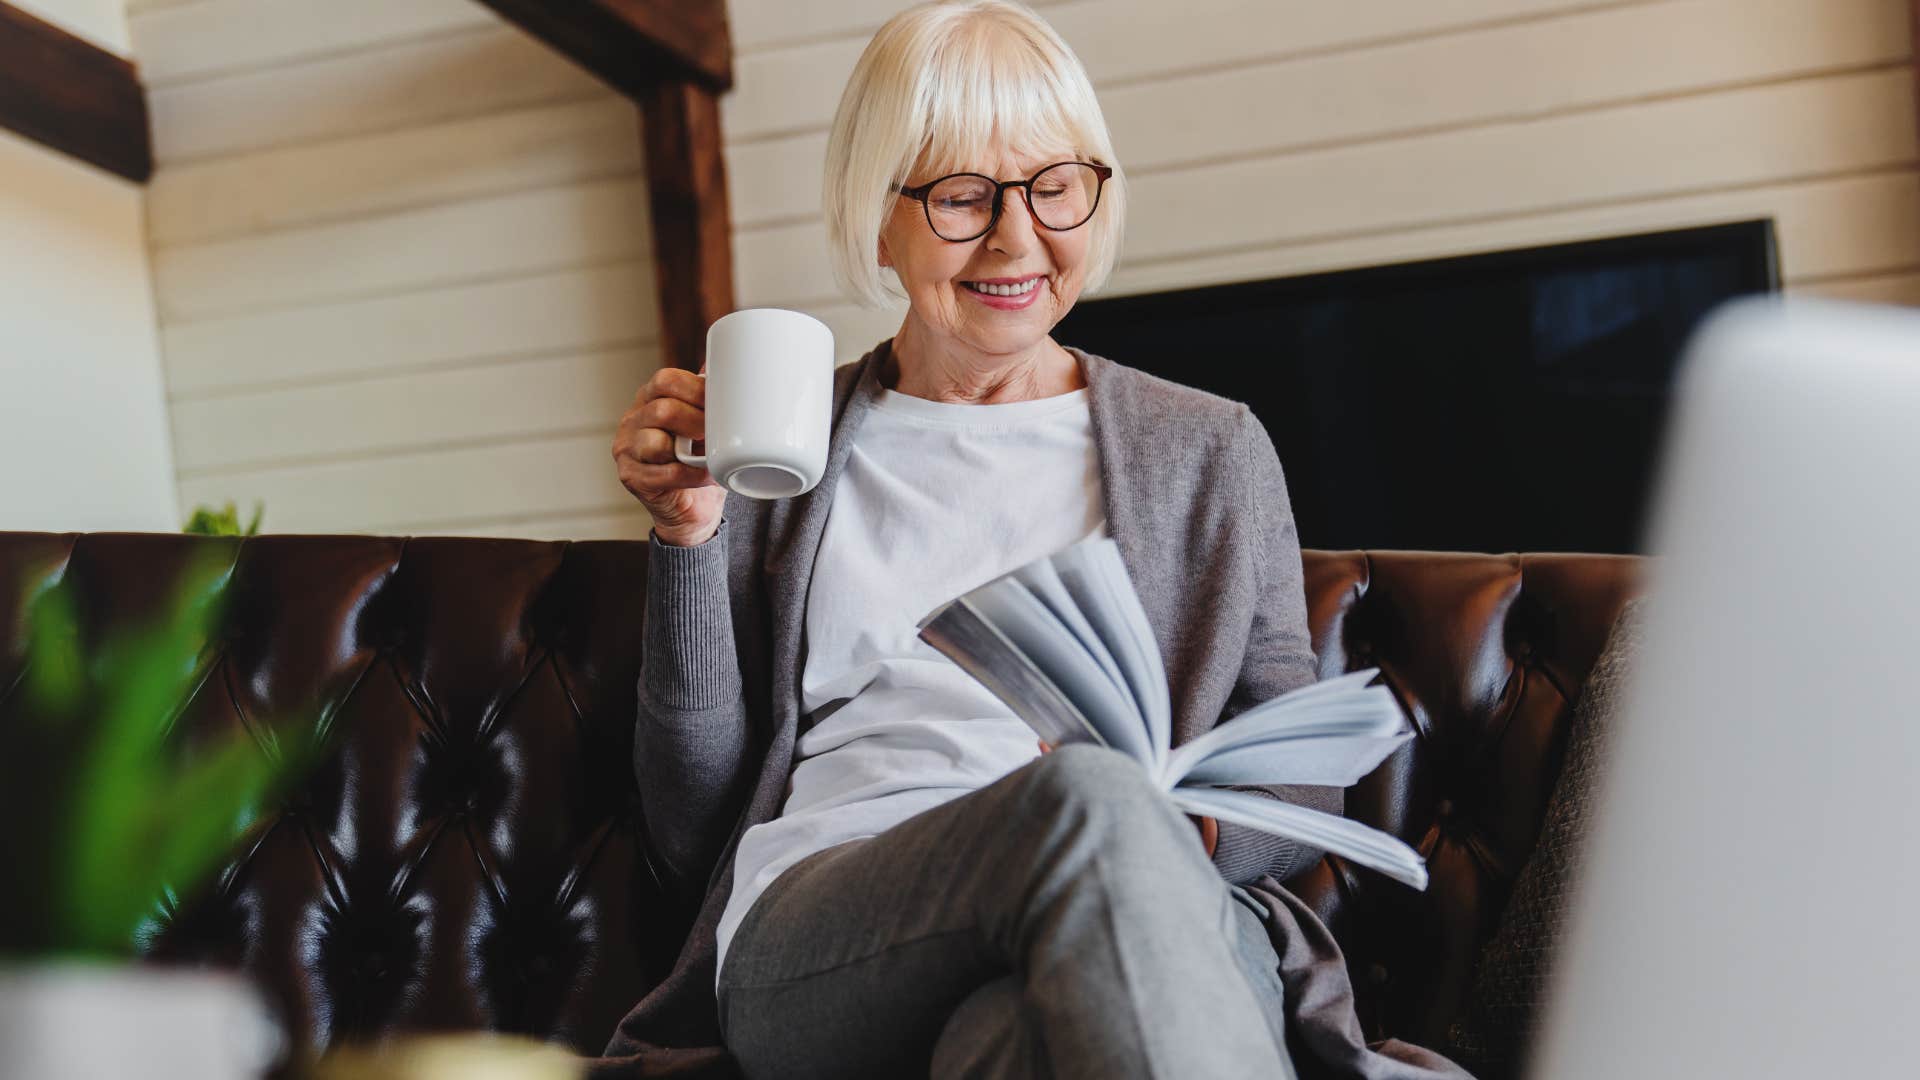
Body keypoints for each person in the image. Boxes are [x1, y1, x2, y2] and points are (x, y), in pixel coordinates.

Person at [605, 3, 1336, 1077]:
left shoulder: (1211, 448)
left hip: (1157, 893)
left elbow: (1299, 761)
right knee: (1088, 798)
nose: (1016, 239)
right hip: (831, 926)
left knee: (1007, 1041)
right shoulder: (776, 451)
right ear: (880, 216)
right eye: (960, 196)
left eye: (1054, 187)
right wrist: (684, 540)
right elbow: (689, 825)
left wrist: (1193, 839)